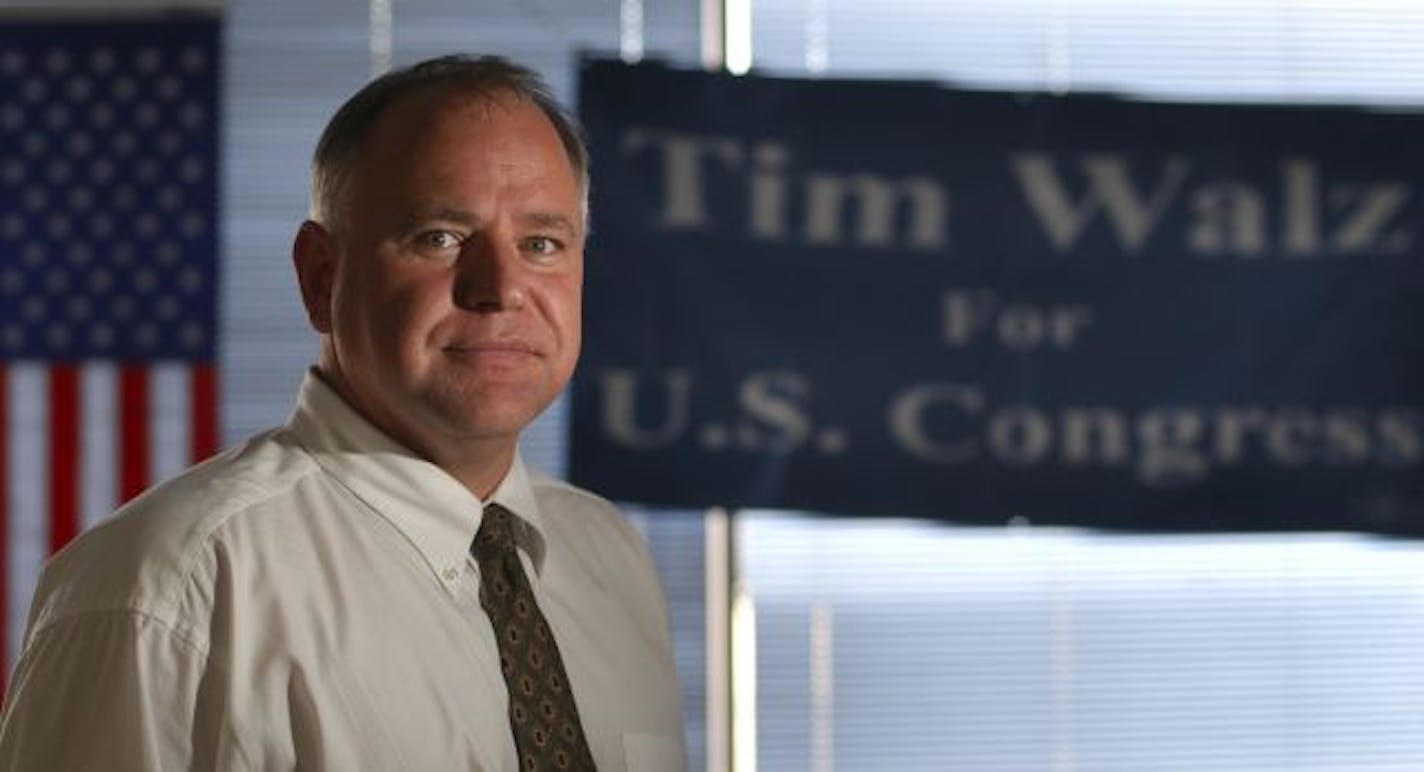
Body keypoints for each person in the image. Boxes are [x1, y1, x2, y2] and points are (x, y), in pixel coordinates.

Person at [0, 54, 686, 770]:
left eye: (541, 244)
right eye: (440, 237)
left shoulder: (612, 559)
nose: (500, 289)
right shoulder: (175, 585)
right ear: (319, 276)